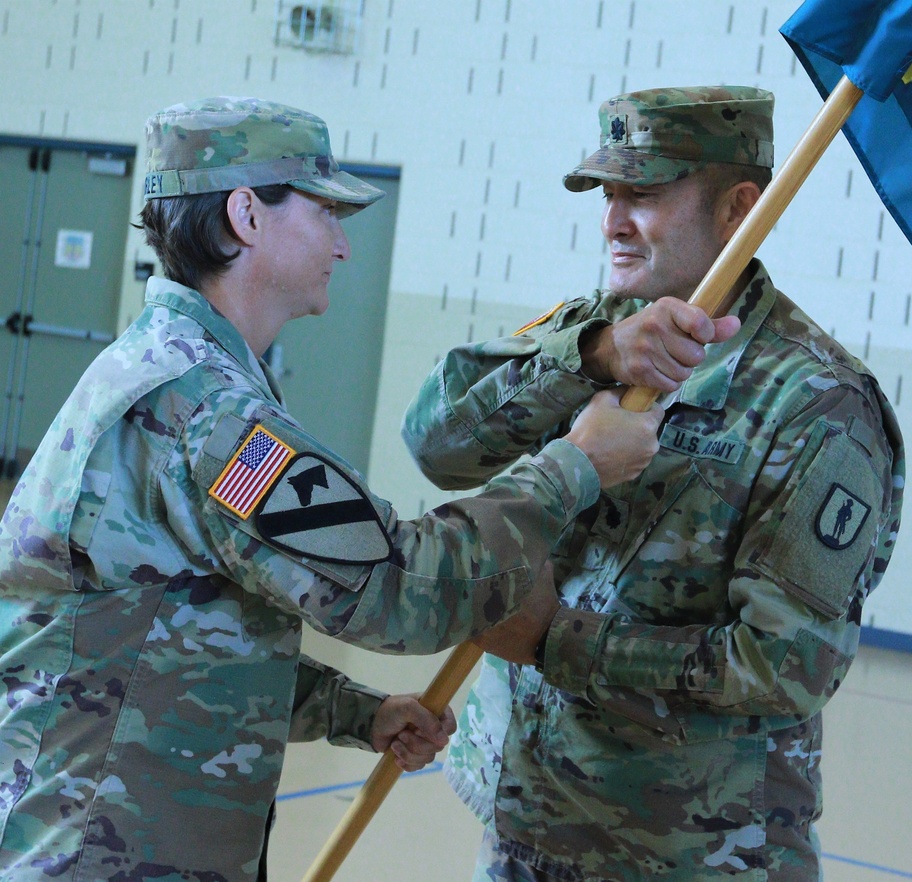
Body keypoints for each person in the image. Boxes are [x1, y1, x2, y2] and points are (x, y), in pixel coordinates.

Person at [0, 97, 668, 882]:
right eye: (324, 212)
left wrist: (360, 713)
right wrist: (576, 466)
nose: (343, 245)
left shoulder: (171, 370)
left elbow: (177, 635)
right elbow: (398, 588)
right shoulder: (204, 413)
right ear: (246, 215)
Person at [403, 86, 906, 880]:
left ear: (739, 207)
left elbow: (784, 666)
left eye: (641, 194)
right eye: (608, 195)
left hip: (692, 851)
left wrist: (547, 640)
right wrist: (592, 358)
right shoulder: (590, 330)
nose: (611, 222)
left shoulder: (817, 403)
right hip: (532, 825)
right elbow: (435, 442)